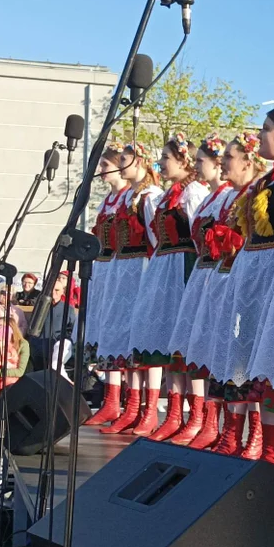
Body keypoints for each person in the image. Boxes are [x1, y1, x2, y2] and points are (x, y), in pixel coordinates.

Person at [210, 97, 274, 464]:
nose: (261, 136)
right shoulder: (270, 178)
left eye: (267, 130)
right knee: (249, 353)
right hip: (254, 267)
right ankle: (253, 443)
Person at [182, 133, 266, 452]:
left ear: (248, 161)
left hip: (246, 276)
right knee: (226, 353)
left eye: (228, 157)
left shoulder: (253, 192)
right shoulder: (226, 196)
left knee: (246, 356)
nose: (223, 163)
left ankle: (253, 435)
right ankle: (227, 430)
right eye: (222, 158)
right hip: (225, 275)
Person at [126, 134, 208, 439]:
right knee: (170, 342)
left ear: (183, 161)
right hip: (166, 266)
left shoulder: (194, 192)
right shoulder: (169, 194)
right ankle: (174, 414)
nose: (161, 163)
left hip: (184, 267)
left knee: (186, 341)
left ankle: (197, 416)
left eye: (166, 158)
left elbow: (202, 234)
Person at [159, 134, 232, 444]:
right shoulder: (210, 197)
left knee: (210, 347)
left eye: (202, 160)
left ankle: (209, 422)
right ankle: (193, 418)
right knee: (193, 346)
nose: (197, 165)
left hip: (214, 272)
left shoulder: (213, 195)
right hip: (203, 272)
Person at [95, 143, 163, 435]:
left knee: (142, 339)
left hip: (140, 268)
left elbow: (156, 239)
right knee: (125, 336)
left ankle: (145, 409)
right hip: (122, 267)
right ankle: (126, 405)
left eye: (123, 161)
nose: (119, 167)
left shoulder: (149, 198)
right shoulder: (128, 198)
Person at [83, 144, 131, 425]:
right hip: (105, 266)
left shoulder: (128, 198)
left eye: (105, 166)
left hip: (122, 266)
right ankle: (110, 400)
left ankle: (123, 402)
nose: (101, 171)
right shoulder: (108, 201)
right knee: (107, 331)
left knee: (120, 332)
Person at [30, 278, 77, 373]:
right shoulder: (40, 306)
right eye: (51, 289)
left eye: (57, 290)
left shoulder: (68, 309)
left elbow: (72, 329)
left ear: (62, 292)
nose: (53, 292)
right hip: (39, 350)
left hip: (57, 350)